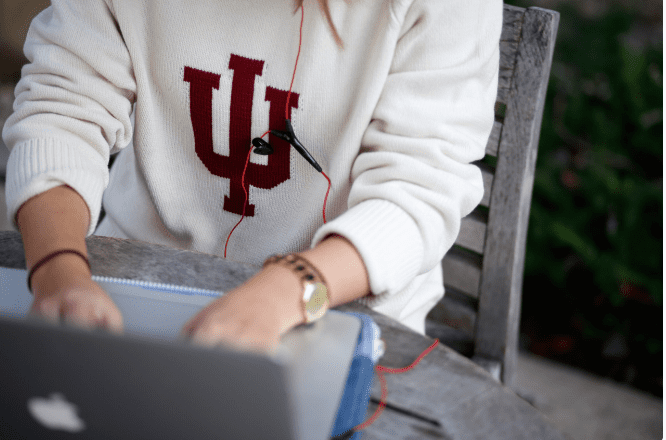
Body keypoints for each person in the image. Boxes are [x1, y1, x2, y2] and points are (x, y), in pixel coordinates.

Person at [3, 0, 503, 354]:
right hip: (129, 286)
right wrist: (58, 270)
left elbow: (419, 190)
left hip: (343, 314)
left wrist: (288, 290)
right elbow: (63, 112)